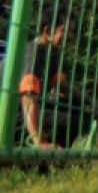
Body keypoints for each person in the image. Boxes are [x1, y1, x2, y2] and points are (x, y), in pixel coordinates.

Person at [18, 15, 87, 149]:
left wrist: (91, 104)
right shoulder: (34, 53)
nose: (71, 36)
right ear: (47, 31)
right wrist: (39, 142)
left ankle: (50, 158)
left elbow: (64, 88)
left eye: (73, 31)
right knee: (68, 121)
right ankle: (39, 158)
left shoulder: (51, 56)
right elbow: (28, 99)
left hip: (20, 112)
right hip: (7, 115)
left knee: (72, 109)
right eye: (66, 31)